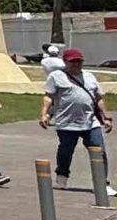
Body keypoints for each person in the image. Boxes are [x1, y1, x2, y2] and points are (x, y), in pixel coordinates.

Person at [41, 46, 111, 184]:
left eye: (79, 61)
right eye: (73, 61)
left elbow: (98, 98)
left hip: (90, 122)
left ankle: (102, 183)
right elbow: (49, 97)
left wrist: (106, 117)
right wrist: (44, 114)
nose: (77, 64)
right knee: (66, 152)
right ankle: (62, 175)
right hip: (66, 123)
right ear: (65, 62)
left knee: (99, 152)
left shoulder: (89, 76)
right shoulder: (56, 76)